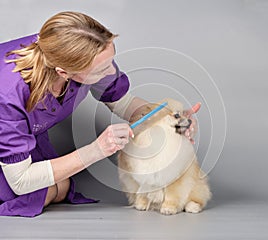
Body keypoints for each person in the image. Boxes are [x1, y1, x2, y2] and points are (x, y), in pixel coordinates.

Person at [0, 11, 199, 217]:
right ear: (63, 72)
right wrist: (97, 150)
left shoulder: (78, 54)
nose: (110, 73)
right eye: (100, 70)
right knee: (44, 191)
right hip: (4, 133)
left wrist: (170, 119)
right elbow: (21, 181)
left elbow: (124, 104)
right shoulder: (7, 95)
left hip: (18, 136)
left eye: (109, 62)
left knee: (61, 187)